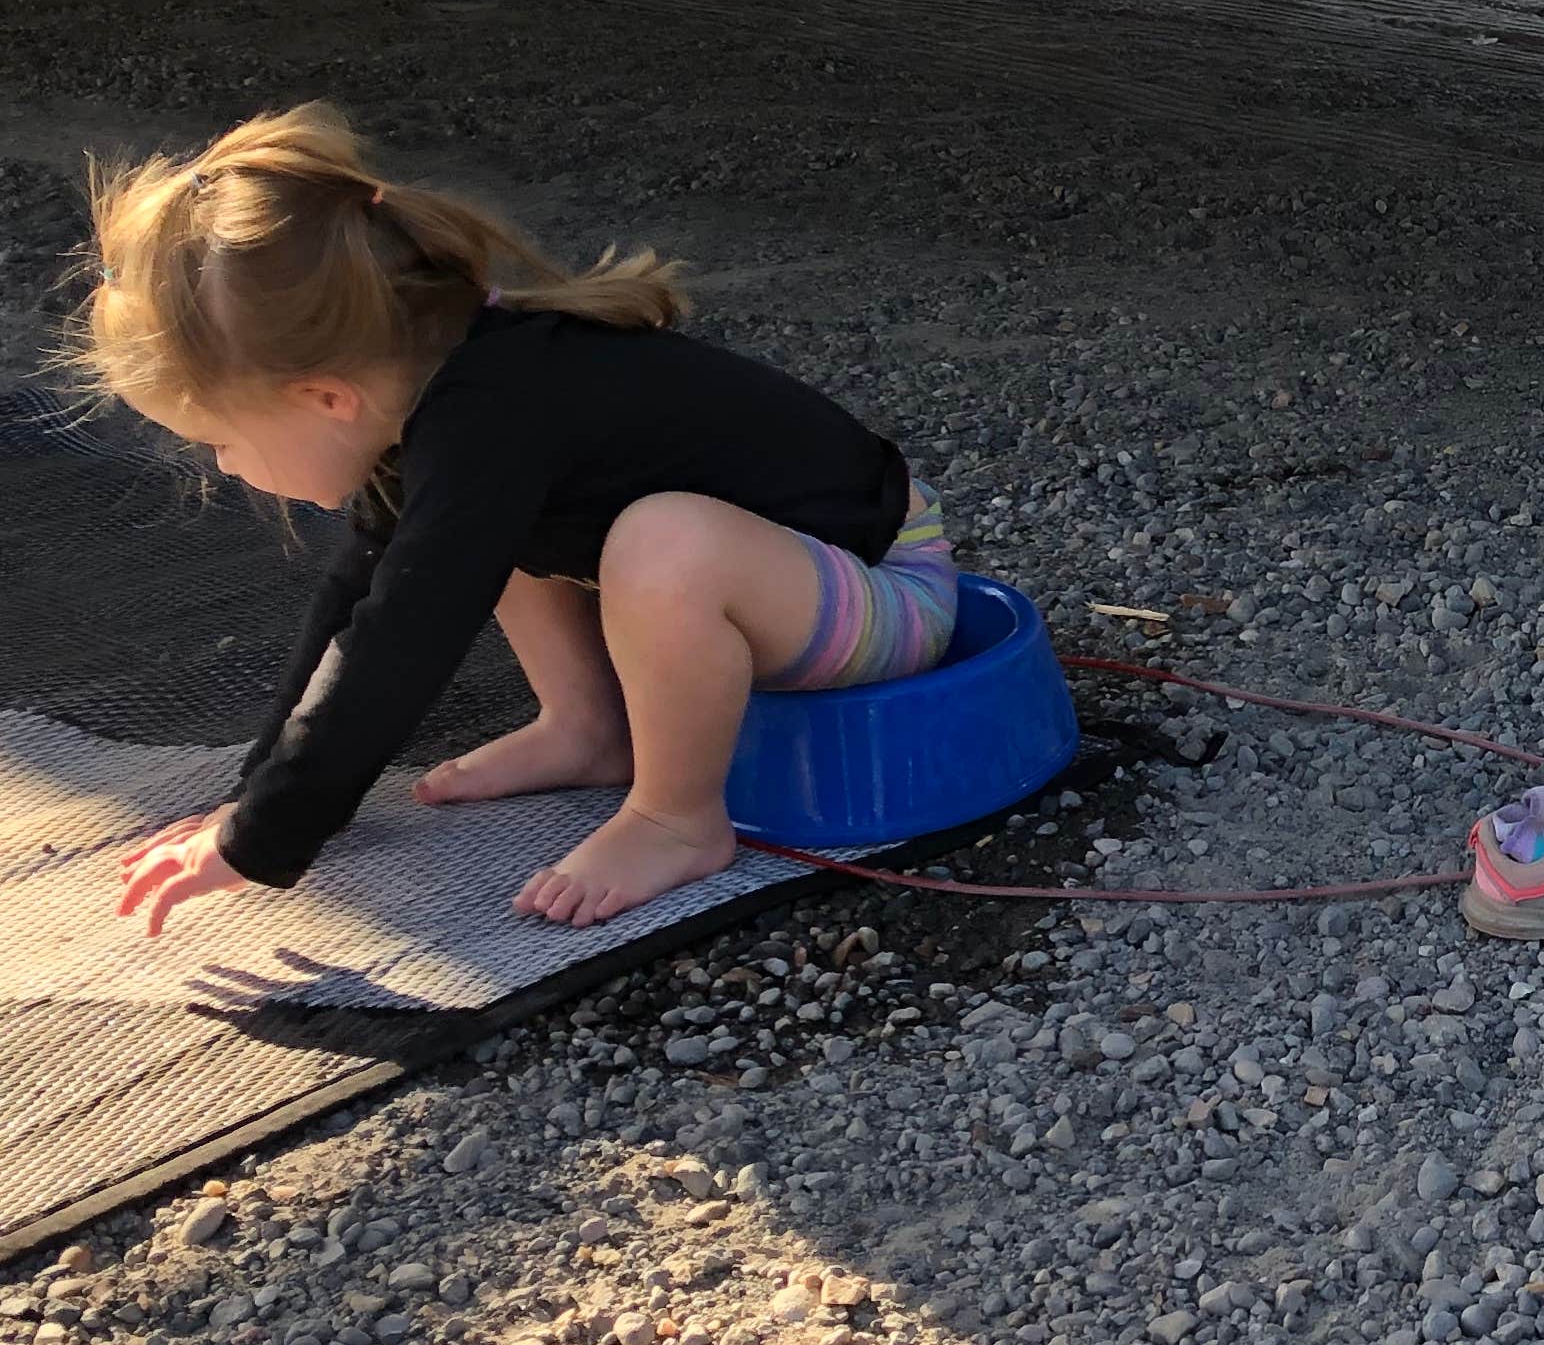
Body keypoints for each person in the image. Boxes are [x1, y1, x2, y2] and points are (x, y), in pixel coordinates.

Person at [78, 106, 946, 935]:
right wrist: (256, 797)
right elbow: (359, 606)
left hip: (885, 592)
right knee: (470, 539)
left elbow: (405, 641)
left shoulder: (490, 417)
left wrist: (270, 837)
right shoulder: (439, 394)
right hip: (790, 583)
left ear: (326, 398)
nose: (227, 469)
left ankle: (677, 817)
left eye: (223, 443)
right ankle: (589, 726)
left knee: (657, 542)